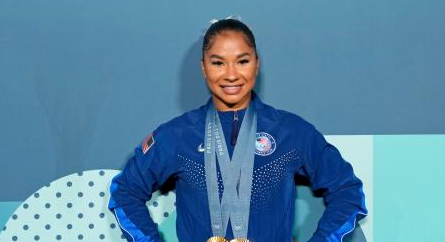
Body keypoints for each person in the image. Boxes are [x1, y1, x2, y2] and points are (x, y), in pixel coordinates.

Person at [108, 18, 367, 242]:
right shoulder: (178, 135)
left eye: (242, 61)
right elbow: (125, 192)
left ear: (256, 64)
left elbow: (347, 191)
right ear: (203, 67)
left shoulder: (289, 131)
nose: (231, 75)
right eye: (218, 63)